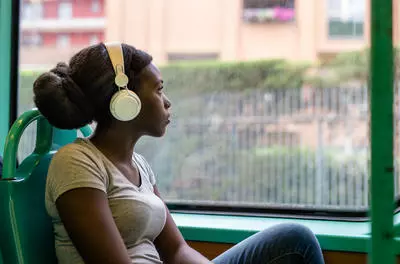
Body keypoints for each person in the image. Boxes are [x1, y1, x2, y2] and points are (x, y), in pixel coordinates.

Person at [33, 42, 325, 264]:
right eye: (159, 90)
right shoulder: (76, 162)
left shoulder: (140, 166)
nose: (167, 101)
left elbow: (176, 251)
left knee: (294, 241)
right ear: (126, 100)